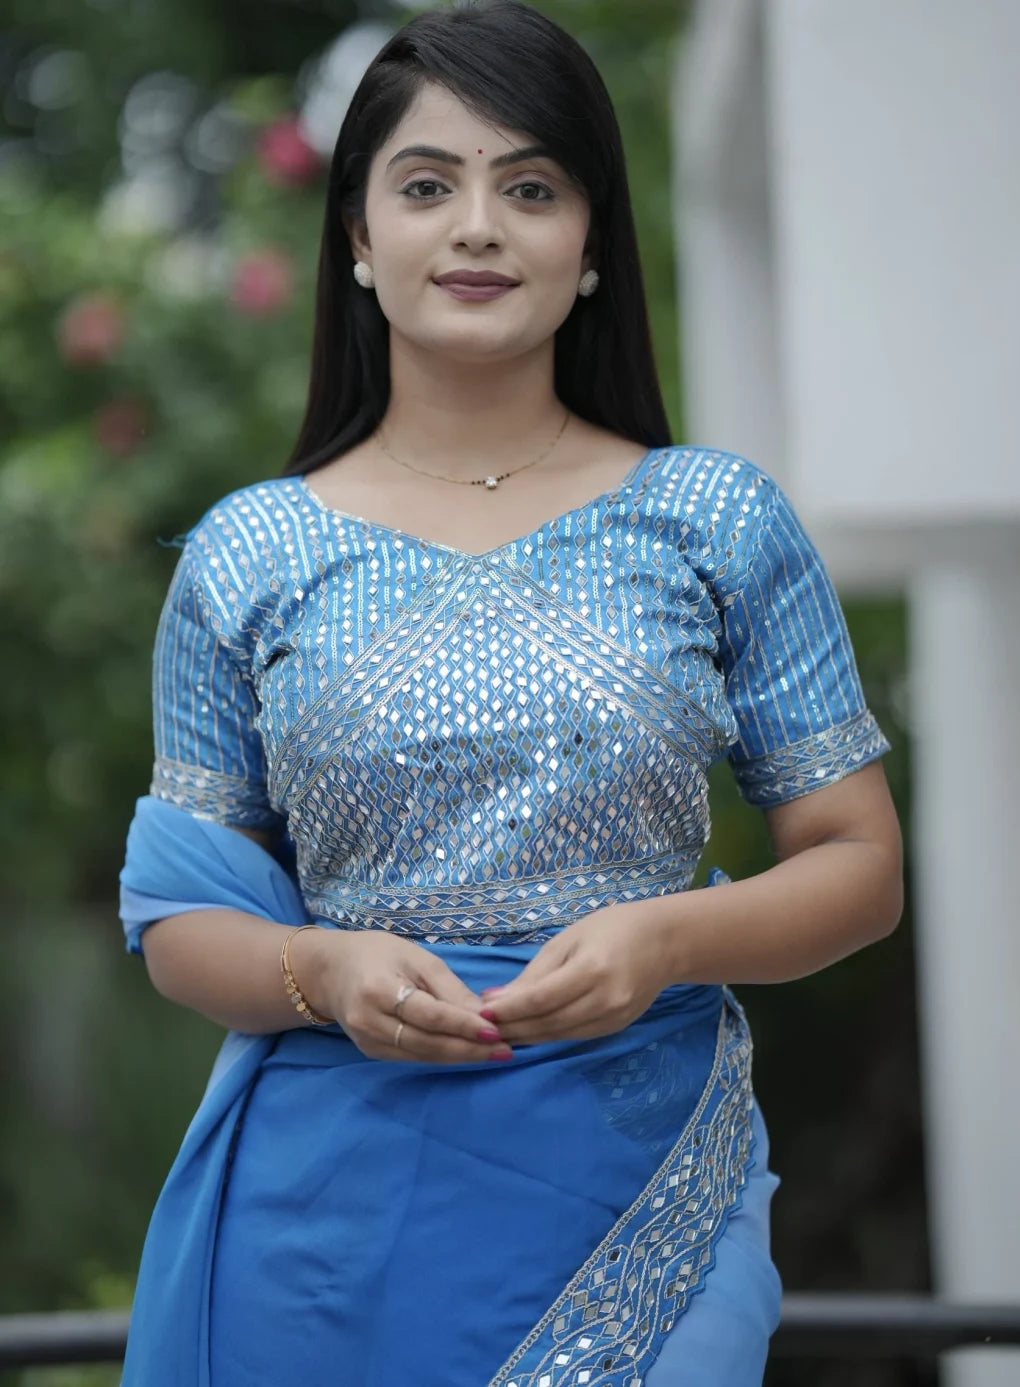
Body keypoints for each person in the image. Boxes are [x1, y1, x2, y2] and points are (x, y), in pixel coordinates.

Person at [117, 3, 903, 1384]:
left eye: (530, 187)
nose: (478, 225)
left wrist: (664, 940)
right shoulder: (251, 552)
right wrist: (326, 970)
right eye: (427, 186)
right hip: (332, 1216)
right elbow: (180, 917)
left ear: (591, 242)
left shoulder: (716, 521)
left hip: (644, 1168)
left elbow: (859, 867)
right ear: (358, 238)